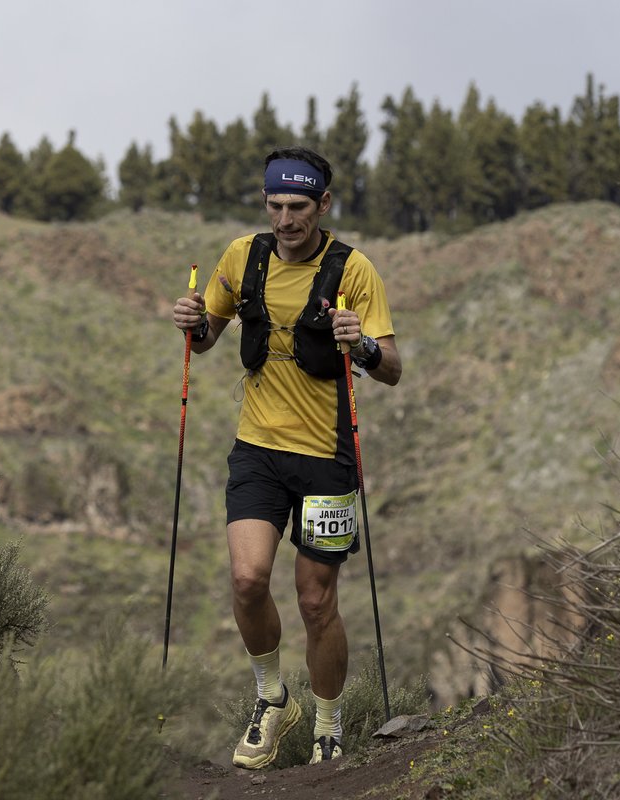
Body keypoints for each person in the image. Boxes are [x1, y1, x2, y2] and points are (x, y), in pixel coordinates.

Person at [172, 146, 402, 768]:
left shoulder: (354, 270)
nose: (284, 219)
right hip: (257, 450)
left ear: (323, 205)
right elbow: (208, 336)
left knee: (315, 601)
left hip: (326, 457)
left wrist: (364, 348)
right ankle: (273, 699)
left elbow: (393, 369)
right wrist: (191, 321)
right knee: (247, 581)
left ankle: (328, 725)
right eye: (274, 205)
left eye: (297, 207)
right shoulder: (241, 258)